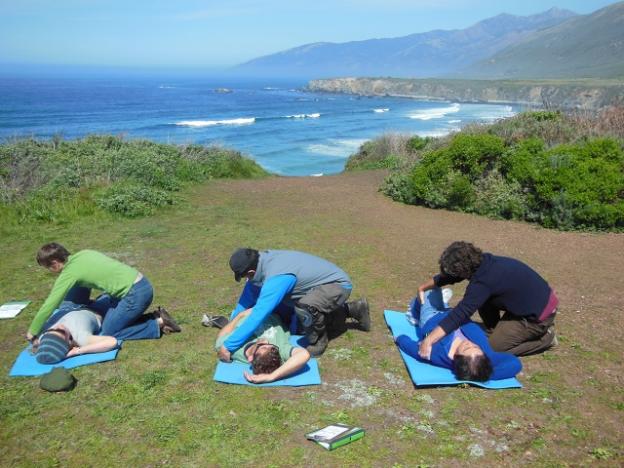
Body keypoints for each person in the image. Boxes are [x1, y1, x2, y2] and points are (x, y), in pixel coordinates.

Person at [218, 248, 370, 359]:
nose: (246, 280)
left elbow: (259, 313)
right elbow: (248, 296)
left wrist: (229, 345)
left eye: (245, 276)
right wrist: (233, 323)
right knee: (296, 315)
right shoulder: (260, 261)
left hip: (338, 285)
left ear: (250, 273)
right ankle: (354, 309)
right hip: (318, 286)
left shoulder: (277, 276)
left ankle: (318, 342)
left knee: (305, 310)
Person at [417, 241, 558, 359]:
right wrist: (423, 287)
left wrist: (429, 340)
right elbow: (451, 276)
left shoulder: (483, 282)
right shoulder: (481, 262)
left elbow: (460, 313)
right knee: (484, 301)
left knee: (491, 350)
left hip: (537, 316)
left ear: (464, 269)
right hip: (526, 304)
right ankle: (497, 331)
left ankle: (546, 338)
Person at [26, 243, 181, 343]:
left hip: (135, 295)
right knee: (78, 286)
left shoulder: (69, 274)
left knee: (109, 331)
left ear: (54, 263)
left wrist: (33, 331)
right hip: (140, 284)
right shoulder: (84, 254)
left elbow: (50, 304)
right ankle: (88, 308)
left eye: (48, 268)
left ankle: (157, 322)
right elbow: (89, 279)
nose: (50, 272)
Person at [396, 289, 522, 381]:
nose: (470, 344)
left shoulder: (437, 354)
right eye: (476, 348)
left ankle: (414, 311)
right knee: (439, 295)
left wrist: (401, 339)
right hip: (454, 314)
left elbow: (415, 351)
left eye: (467, 348)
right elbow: (515, 364)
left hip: (432, 317)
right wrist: (484, 373)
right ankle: (442, 303)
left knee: (427, 292)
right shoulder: (483, 356)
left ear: (457, 357)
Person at [215, 308, 311, 383]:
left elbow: (221, 337)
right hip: (277, 310)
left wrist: (240, 315)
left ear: (250, 358)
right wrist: (272, 376)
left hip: (249, 312)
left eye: (263, 346)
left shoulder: (233, 350)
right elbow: (304, 355)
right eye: (271, 346)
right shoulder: (279, 351)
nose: (267, 342)